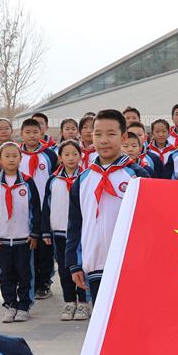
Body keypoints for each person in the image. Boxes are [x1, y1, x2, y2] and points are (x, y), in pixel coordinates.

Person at [66, 110, 150, 302]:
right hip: (94, 263)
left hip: (129, 264)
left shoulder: (138, 176)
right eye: (98, 134)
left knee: (130, 315)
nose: (104, 140)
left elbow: (149, 223)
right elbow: (75, 224)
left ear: (123, 137)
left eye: (111, 134)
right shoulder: (83, 179)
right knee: (101, 316)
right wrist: (74, 263)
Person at [0, 142, 40, 323]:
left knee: (25, 273)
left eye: (15, 156)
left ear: (20, 158)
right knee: (6, 274)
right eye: (7, 156)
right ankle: (10, 305)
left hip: (24, 238)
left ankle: (24, 306)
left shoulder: (28, 182)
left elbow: (35, 209)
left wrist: (35, 233)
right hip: (2, 239)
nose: (11, 159)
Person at [41, 140, 89, 321]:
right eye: (66, 154)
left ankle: (83, 302)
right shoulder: (53, 180)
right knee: (63, 268)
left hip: (80, 233)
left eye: (75, 154)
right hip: (60, 232)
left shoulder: (85, 178)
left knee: (82, 267)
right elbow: (46, 207)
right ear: (60, 157)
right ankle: (69, 301)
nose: (71, 158)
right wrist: (46, 231)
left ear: (81, 156)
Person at [18, 119, 57, 301]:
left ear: (41, 133)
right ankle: (28, 282)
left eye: (35, 132)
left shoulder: (49, 154)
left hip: (45, 207)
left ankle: (44, 282)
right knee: (27, 246)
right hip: (23, 208)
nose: (32, 135)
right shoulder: (16, 154)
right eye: (28, 132)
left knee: (45, 246)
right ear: (21, 134)